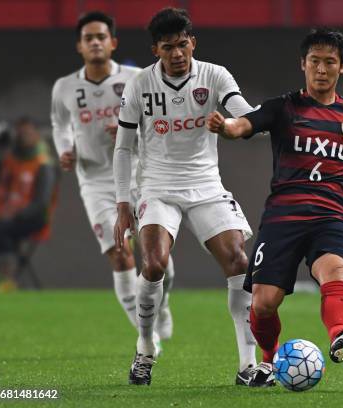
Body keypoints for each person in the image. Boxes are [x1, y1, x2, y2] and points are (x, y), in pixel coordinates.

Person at [206, 28, 343, 386]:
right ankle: (267, 361)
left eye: (330, 62)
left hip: (329, 218)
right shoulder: (283, 108)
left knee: (335, 272)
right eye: (315, 62)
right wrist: (226, 127)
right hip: (282, 220)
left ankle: (341, 333)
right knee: (262, 305)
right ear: (303, 64)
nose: (321, 69)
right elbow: (246, 124)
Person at [114, 7, 257, 386]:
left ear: (192, 42)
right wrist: (123, 204)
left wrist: (232, 123)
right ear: (155, 50)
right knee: (156, 263)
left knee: (238, 260)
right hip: (158, 187)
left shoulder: (215, 75)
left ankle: (248, 365)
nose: (177, 54)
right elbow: (123, 148)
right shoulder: (140, 85)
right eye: (168, 48)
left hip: (206, 185)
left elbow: (246, 116)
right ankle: (145, 348)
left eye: (182, 45)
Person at [51, 12, 175, 351]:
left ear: (113, 43)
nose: (95, 42)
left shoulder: (136, 79)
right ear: (79, 46)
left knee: (161, 264)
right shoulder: (64, 87)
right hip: (95, 181)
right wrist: (65, 149)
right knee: (121, 254)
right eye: (88, 37)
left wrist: (129, 131)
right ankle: (146, 336)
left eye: (101, 37)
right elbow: (59, 124)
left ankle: (160, 308)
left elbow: (160, 119)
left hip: (140, 176)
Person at [0, 118, 57, 291]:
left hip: (32, 218)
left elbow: (41, 203)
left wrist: (14, 215)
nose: (23, 138)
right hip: (4, 215)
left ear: (37, 136)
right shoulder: (8, 161)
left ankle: (7, 276)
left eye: (27, 134)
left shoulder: (43, 165)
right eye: (20, 134)